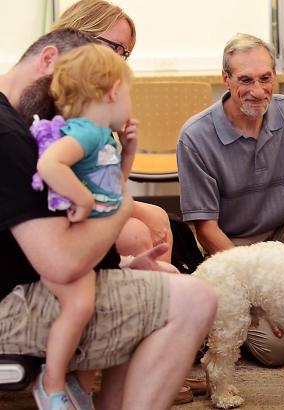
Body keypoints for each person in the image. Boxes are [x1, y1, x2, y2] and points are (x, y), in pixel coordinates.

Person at [0, 28, 216, 410]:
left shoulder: (27, 127)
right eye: (67, 88)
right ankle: (57, 383)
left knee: (155, 281)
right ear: (48, 60)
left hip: (25, 286)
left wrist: (128, 265)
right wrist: (118, 205)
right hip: (11, 308)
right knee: (195, 298)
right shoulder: (9, 136)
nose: (68, 102)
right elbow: (62, 263)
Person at [177, 33, 284, 367]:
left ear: (275, 76)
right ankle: (232, 317)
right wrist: (258, 290)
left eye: (265, 78)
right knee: (278, 352)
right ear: (225, 79)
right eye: (245, 80)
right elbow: (206, 230)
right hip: (237, 249)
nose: (258, 91)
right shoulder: (195, 136)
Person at [29, 43, 136, 409]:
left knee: (96, 309)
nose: (129, 103)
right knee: (79, 307)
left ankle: (77, 383)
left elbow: (116, 184)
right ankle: (51, 383)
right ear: (113, 90)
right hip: (77, 238)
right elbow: (49, 165)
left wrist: (130, 149)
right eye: (130, 94)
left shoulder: (102, 134)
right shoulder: (86, 132)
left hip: (98, 241)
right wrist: (84, 200)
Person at [51, 0, 173, 263]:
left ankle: (161, 294)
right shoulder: (67, 102)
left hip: (95, 199)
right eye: (114, 48)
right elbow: (56, 171)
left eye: (125, 53)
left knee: (159, 218)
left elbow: (107, 180)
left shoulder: (95, 104)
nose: (120, 60)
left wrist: (126, 153)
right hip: (68, 208)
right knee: (139, 232)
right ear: (78, 33)